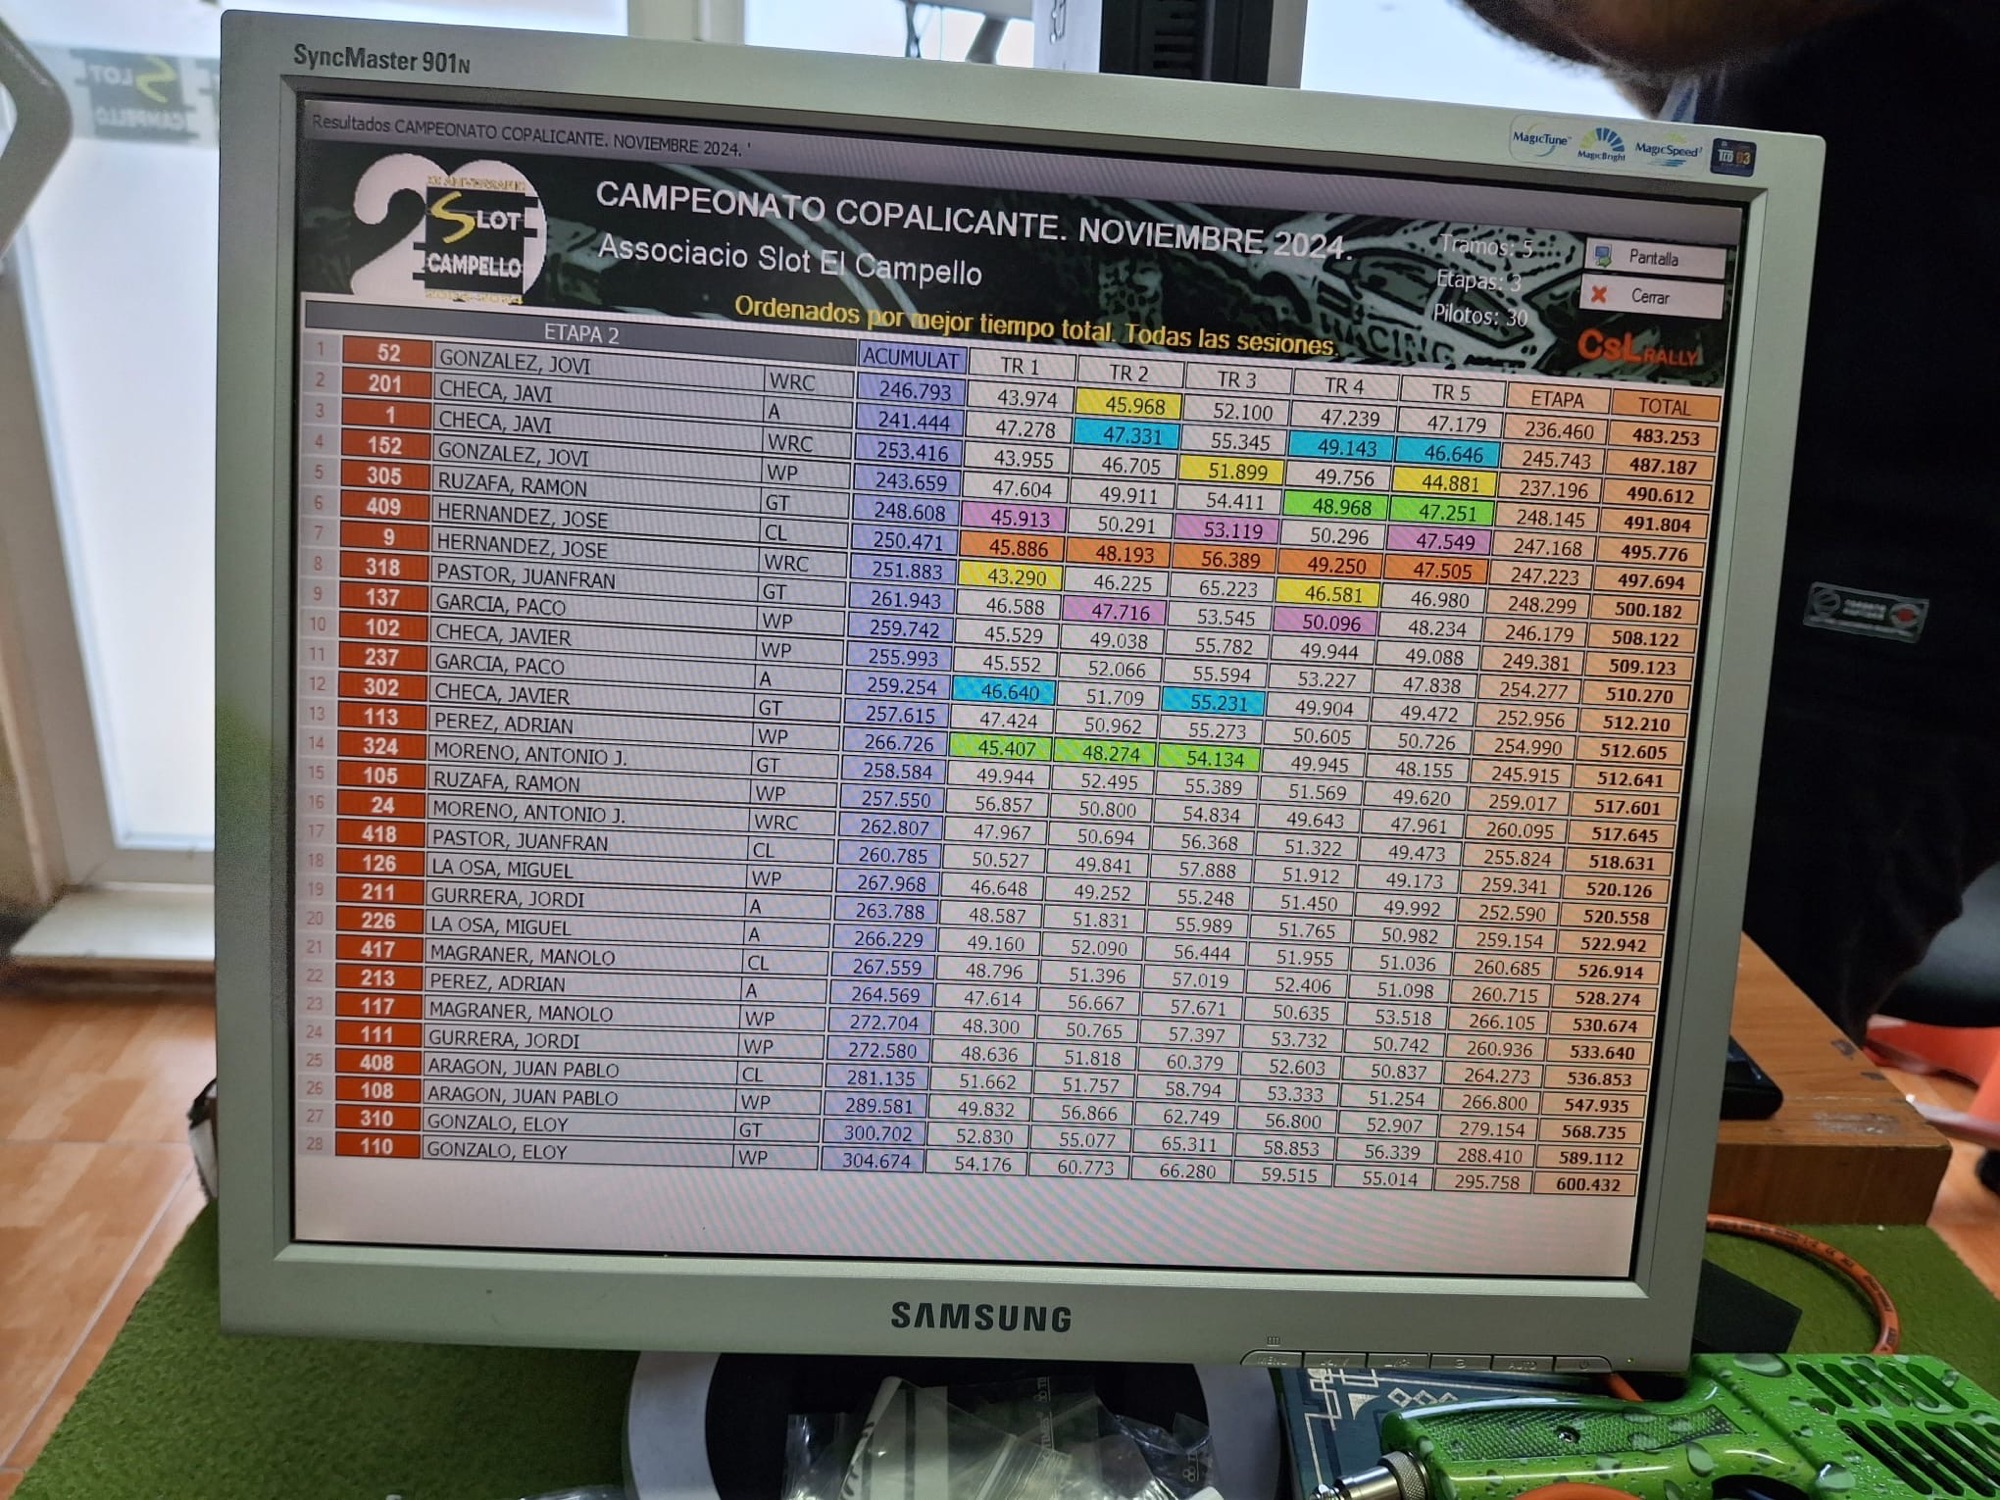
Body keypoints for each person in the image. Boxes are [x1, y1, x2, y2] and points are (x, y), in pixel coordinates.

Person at [1458, 1, 2000, 1040]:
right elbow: (1665, 51)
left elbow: (1638, 19)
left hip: (1877, 558)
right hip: (1798, 497)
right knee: (1588, 1039)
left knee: (1659, 1065)